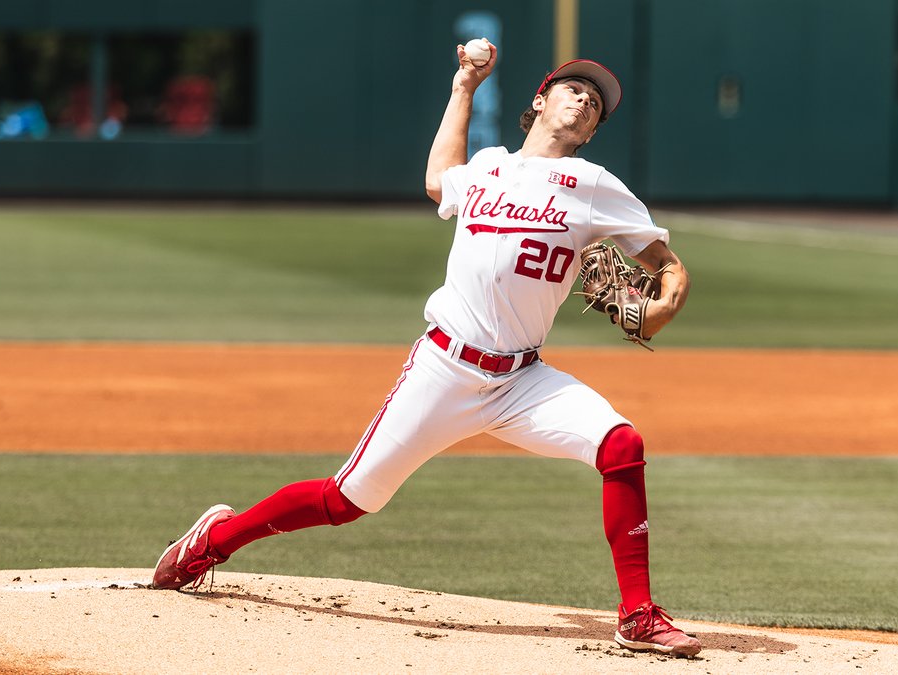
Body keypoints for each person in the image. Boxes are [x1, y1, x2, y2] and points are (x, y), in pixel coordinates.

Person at [152, 40, 698, 658]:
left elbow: (667, 265)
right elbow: (439, 181)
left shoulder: (595, 186)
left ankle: (637, 614)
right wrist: (465, 85)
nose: (585, 101)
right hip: (445, 368)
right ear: (541, 100)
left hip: (522, 381)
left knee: (621, 444)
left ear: (594, 130)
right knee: (347, 499)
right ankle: (213, 542)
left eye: (596, 103)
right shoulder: (488, 166)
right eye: (574, 89)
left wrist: (665, 304)